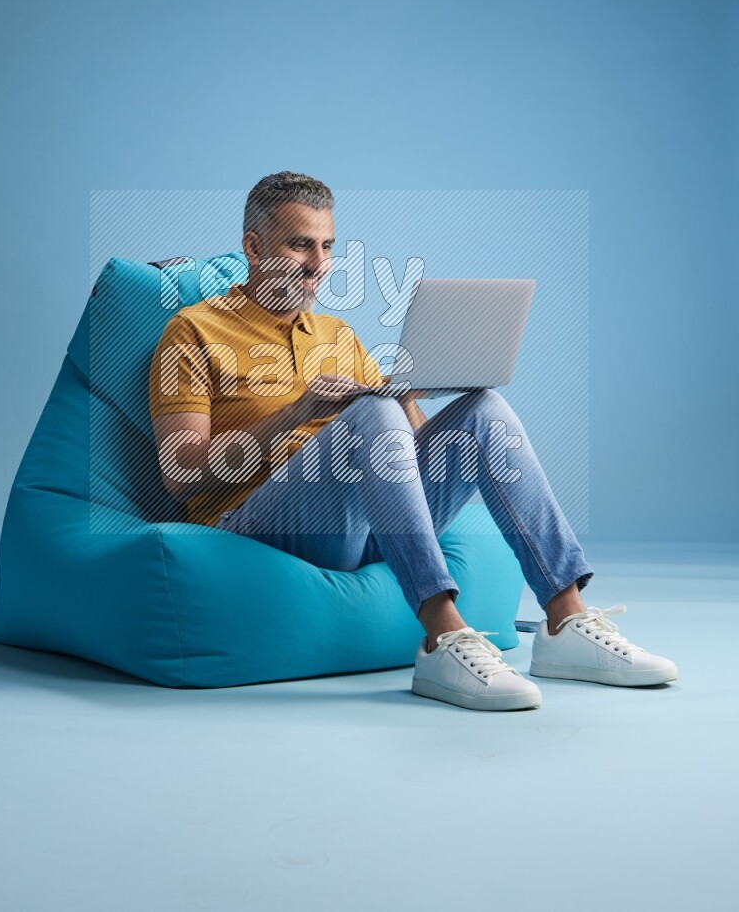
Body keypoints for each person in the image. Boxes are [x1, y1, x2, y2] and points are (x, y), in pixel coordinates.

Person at [148, 171, 678, 712]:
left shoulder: (338, 336)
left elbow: (412, 458)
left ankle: (566, 620)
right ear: (254, 248)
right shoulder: (193, 331)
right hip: (257, 526)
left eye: (327, 246)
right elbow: (181, 473)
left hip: (363, 526)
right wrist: (298, 413)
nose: (318, 265)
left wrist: (407, 394)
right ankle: (441, 635)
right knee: (371, 412)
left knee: (483, 411)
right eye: (300, 245)